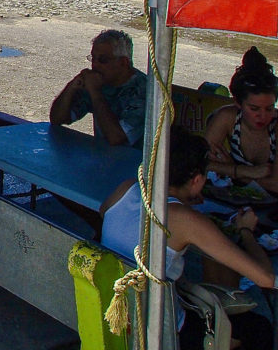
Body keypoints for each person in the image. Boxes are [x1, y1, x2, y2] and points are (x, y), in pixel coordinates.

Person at [102, 127, 273, 349]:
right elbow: (266, 278)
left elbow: (105, 214)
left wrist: (182, 204)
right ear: (198, 180)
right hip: (162, 333)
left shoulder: (126, 189)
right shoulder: (185, 219)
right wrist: (246, 231)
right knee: (259, 327)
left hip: (116, 317)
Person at [49, 29, 146, 147]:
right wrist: (71, 87)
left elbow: (116, 138)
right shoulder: (100, 81)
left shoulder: (143, 91)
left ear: (123, 62)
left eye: (103, 60)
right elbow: (57, 119)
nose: (95, 65)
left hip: (137, 162)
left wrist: (95, 92)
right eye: (93, 58)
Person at [204, 47, 278, 190]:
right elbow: (198, 162)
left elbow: (275, 185)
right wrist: (247, 172)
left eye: (269, 108)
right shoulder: (227, 117)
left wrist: (232, 169)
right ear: (238, 103)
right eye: (254, 109)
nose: (262, 116)